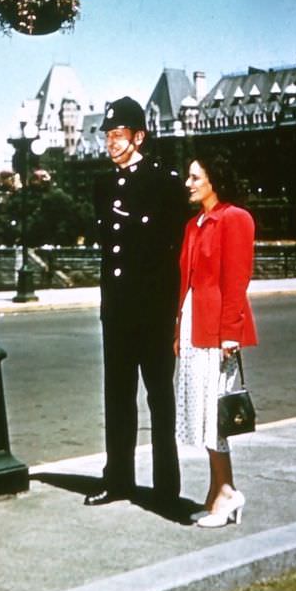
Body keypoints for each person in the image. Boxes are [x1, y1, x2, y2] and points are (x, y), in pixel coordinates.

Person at [86, 96, 188, 508]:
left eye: (118, 135)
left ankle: (166, 486)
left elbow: (174, 250)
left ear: (139, 137)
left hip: (153, 309)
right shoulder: (102, 185)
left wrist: (172, 312)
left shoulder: (164, 183)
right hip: (118, 309)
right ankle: (119, 480)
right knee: (118, 397)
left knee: (160, 398)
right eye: (107, 135)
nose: (110, 142)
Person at [174, 152, 258, 528]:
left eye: (195, 177)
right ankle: (218, 491)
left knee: (214, 417)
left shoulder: (235, 218)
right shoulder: (195, 224)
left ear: (214, 180)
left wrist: (230, 335)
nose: (188, 184)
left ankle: (226, 493)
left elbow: (236, 282)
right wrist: (178, 330)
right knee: (203, 416)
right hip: (194, 327)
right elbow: (186, 282)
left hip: (216, 330)